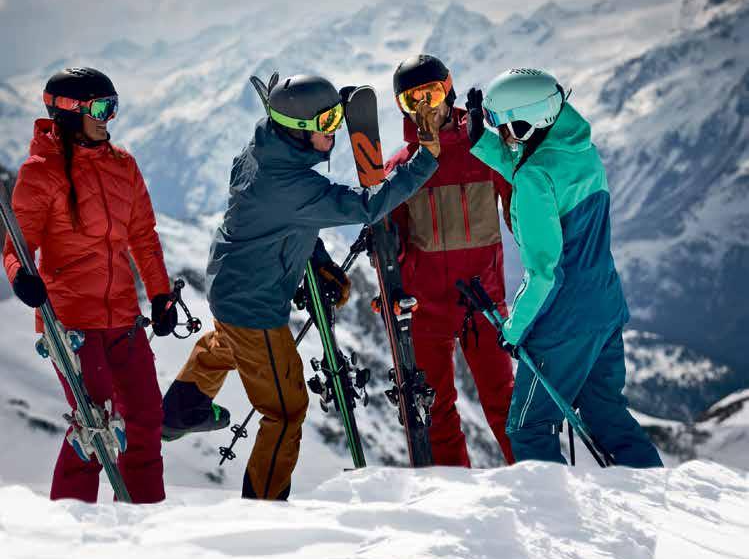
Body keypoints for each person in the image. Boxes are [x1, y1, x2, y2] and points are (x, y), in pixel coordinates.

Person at [162, 73, 441, 500]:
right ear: (297, 129)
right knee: (286, 410)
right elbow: (366, 206)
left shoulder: (260, 150)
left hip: (229, 283)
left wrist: (316, 258)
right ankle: (264, 509)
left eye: (336, 119)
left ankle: (179, 409)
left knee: (228, 344)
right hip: (255, 306)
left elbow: (288, 219)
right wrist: (425, 160)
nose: (335, 131)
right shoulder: (291, 184)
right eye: (326, 123)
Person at [465, 67, 662, 467]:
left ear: (529, 123)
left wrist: (514, 329)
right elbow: (536, 164)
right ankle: (656, 491)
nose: (503, 136)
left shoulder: (534, 177)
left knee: (529, 428)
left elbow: (544, 273)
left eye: (504, 126)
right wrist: (480, 141)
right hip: (605, 310)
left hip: (562, 324)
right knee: (607, 415)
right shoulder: (581, 152)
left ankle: (550, 507)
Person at [3, 67, 178, 502]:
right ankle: (71, 520)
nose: (109, 117)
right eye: (101, 108)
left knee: (144, 420)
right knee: (94, 424)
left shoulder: (123, 165)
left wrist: (160, 295)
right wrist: (21, 276)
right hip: (72, 322)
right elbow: (17, 246)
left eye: (112, 107)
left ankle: (143, 518)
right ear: (69, 111)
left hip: (123, 317)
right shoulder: (40, 173)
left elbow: (143, 237)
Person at [385, 54, 515, 467]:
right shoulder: (402, 168)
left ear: (449, 90)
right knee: (436, 413)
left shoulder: (484, 152)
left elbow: (520, 214)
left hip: (482, 304)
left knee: (505, 405)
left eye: (432, 93)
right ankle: (455, 495)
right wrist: (389, 260)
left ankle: (540, 484)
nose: (425, 106)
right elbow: (391, 247)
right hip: (426, 310)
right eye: (412, 100)